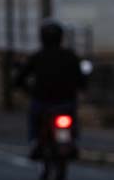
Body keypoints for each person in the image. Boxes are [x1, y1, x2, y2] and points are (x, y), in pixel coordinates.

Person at [14, 20, 86, 156]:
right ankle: (72, 141)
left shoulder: (37, 56)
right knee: (72, 116)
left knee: (34, 118)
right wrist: (80, 88)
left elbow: (21, 77)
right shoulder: (70, 56)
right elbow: (80, 77)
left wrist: (25, 89)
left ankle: (34, 141)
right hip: (66, 100)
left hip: (42, 100)